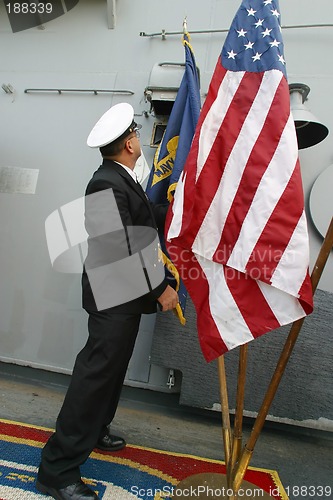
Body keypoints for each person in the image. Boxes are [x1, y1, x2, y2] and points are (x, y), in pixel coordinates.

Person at [36, 103, 179, 499]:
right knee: (94, 378)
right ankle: (57, 470)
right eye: (137, 136)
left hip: (124, 296)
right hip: (113, 298)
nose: (139, 141)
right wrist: (160, 288)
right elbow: (118, 247)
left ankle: (96, 428)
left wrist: (178, 206)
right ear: (130, 142)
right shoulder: (105, 183)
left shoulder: (120, 178)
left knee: (111, 373)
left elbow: (143, 215)